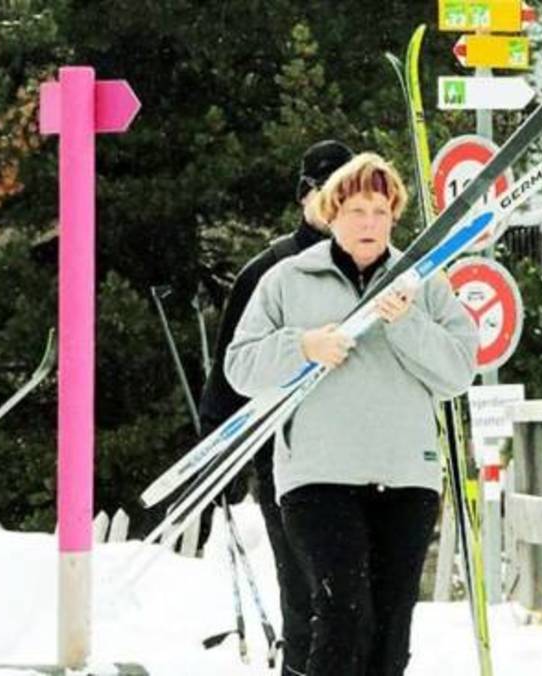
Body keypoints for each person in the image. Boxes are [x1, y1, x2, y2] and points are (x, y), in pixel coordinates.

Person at [224, 152, 478, 675]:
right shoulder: (286, 280)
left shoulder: (423, 282)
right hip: (318, 476)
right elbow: (240, 367)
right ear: (331, 213)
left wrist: (406, 322)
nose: (369, 223)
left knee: (390, 626)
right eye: (357, 210)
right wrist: (303, 346)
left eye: (380, 212)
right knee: (344, 612)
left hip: (407, 476)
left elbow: (457, 371)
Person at [198, 139, 353, 675]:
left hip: (365, 458)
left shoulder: (375, 267)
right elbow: (229, 374)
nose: (339, 207)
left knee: (361, 607)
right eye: (329, 194)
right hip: (288, 462)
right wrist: (216, 457)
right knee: (310, 601)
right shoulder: (270, 272)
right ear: (305, 196)